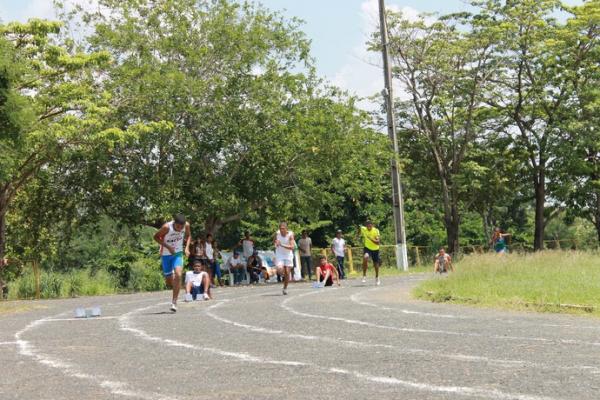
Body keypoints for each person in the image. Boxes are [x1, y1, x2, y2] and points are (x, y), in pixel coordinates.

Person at [153, 214, 191, 312]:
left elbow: (188, 236)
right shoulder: (166, 227)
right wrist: (168, 247)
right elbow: (156, 237)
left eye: (181, 227)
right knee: (169, 282)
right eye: (178, 227)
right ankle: (176, 282)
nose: (179, 229)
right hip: (166, 254)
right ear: (174, 223)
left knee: (178, 275)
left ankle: (174, 302)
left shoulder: (186, 225)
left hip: (178, 253)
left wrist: (186, 248)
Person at [274, 221, 295, 295]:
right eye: (280, 228)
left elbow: (292, 247)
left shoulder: (290, 235)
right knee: (280, 269)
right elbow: (275, 241)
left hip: (288, 254)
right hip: (279, 253)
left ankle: (285, 288)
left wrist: (281, 244)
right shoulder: (277, 233)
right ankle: (282, 274)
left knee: (287, 272)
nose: (281, 230)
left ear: (286, 229)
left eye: (283, 228)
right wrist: (275, 244)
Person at [358, 220, 381, 286]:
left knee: (376, 265)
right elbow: (360, 229)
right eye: (367, 225)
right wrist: (358, 232)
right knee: (365, 257)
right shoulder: (364, 229)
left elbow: (378, 242)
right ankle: (364, 276)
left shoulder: (376, 231)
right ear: (366, 225)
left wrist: (370, 238)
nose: (369, 226)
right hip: (367, 248)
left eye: (370, 225)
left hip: (375, 249)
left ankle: (377, 277)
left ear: (372, 225)